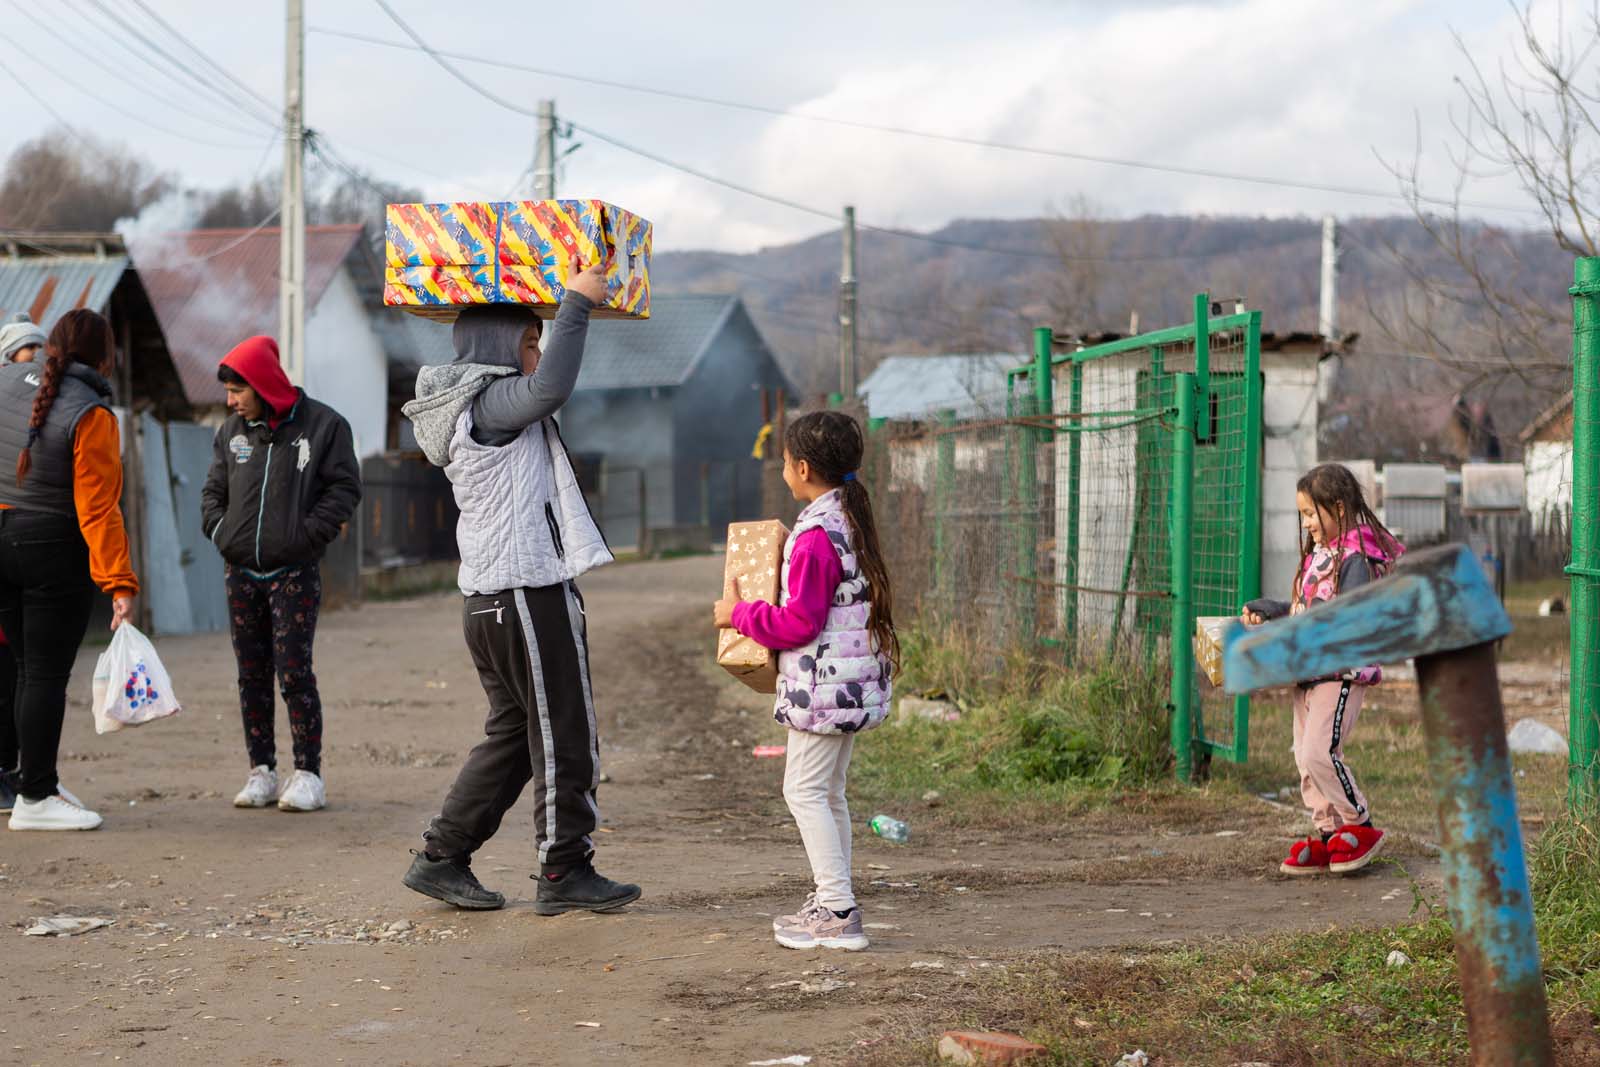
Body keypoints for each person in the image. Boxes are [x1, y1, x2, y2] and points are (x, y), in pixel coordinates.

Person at [399, 258, 641, 915]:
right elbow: (554, 387)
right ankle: (565, 870)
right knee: (565, 732)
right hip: (523, 594)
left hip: (493, 599)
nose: (538, 354)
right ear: (503, 347)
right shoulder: (492, 401)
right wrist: (577, 304)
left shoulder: (475, 406)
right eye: (530, 341)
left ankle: (442, 856)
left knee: (514, 741)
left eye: (539, 341)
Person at [714, 410, 897, 951]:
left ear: (800, 466)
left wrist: (739, 614)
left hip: (822, 687)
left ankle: (838, 910)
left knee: (804, 790)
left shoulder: (816, 535)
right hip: (845, 683)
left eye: (784, 463)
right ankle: (832, 900)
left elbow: (799, 623)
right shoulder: (846, 517)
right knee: (827, 792)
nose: (782, 471)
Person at [201, 336, 361, 813]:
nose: (230, 401)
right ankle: (262, 772)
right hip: (241, 572)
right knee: (250, 675)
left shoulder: (324, 426)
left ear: (263, 385)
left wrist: (307, 535)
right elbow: (213, 493)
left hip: (293, 571)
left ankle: (308, 774)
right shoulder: (231, 432)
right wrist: (220, 532)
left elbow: (344, 487)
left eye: (237, 390)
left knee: (293, 672)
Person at [0, 308, 138, 831]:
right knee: (43, 674)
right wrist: (119, 583)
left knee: (20, 667)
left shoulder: (4, 379)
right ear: (103, 355)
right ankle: (35, 798)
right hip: (49, 547)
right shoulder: (91, 411)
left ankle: (30, 782)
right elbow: (98, 508)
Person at [1241, 463, 1403, 877]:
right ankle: (1329, 831)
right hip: (1308, 670)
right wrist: (1274, 611)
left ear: (1338, 508)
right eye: (1303, 516)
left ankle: (1358, 823)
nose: (1306, 523)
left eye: (1311, 514)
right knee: (1303, 756)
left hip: (1339, 672)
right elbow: (1306, 607)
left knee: (1319, 752)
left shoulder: (1358, 559)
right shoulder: (1322, 555)